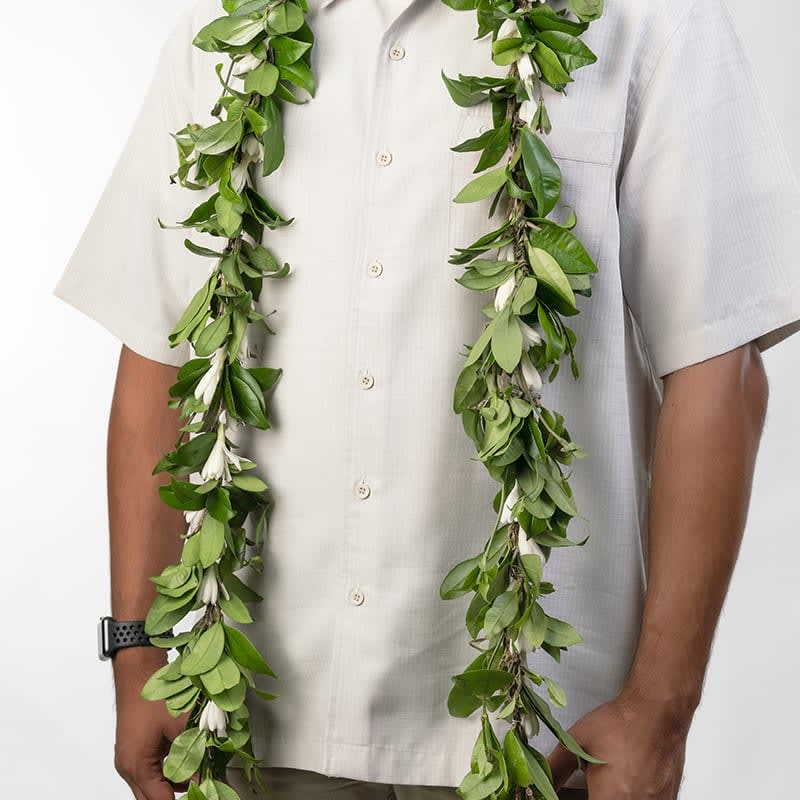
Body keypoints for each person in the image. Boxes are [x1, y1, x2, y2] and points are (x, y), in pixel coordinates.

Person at [51, 0, 800, 798]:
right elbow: (160, 348)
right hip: (255, 715)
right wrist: (136, 652)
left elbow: (718, 363)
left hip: (539, 737)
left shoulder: (652, 19)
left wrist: (660, 709)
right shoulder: (226, 31)